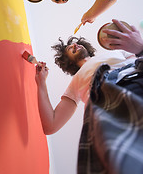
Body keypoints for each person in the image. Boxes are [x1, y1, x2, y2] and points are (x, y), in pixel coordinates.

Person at [35, 19, 143, 173]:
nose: (75, 45)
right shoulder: (76, 81)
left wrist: (139, 47)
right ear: (68, 62)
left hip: (133, 82)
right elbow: (50, 125)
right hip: (105, 106)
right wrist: (41, 84)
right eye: (70, 49)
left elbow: (137, 62)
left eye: (75, 44)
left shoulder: (118, 53)